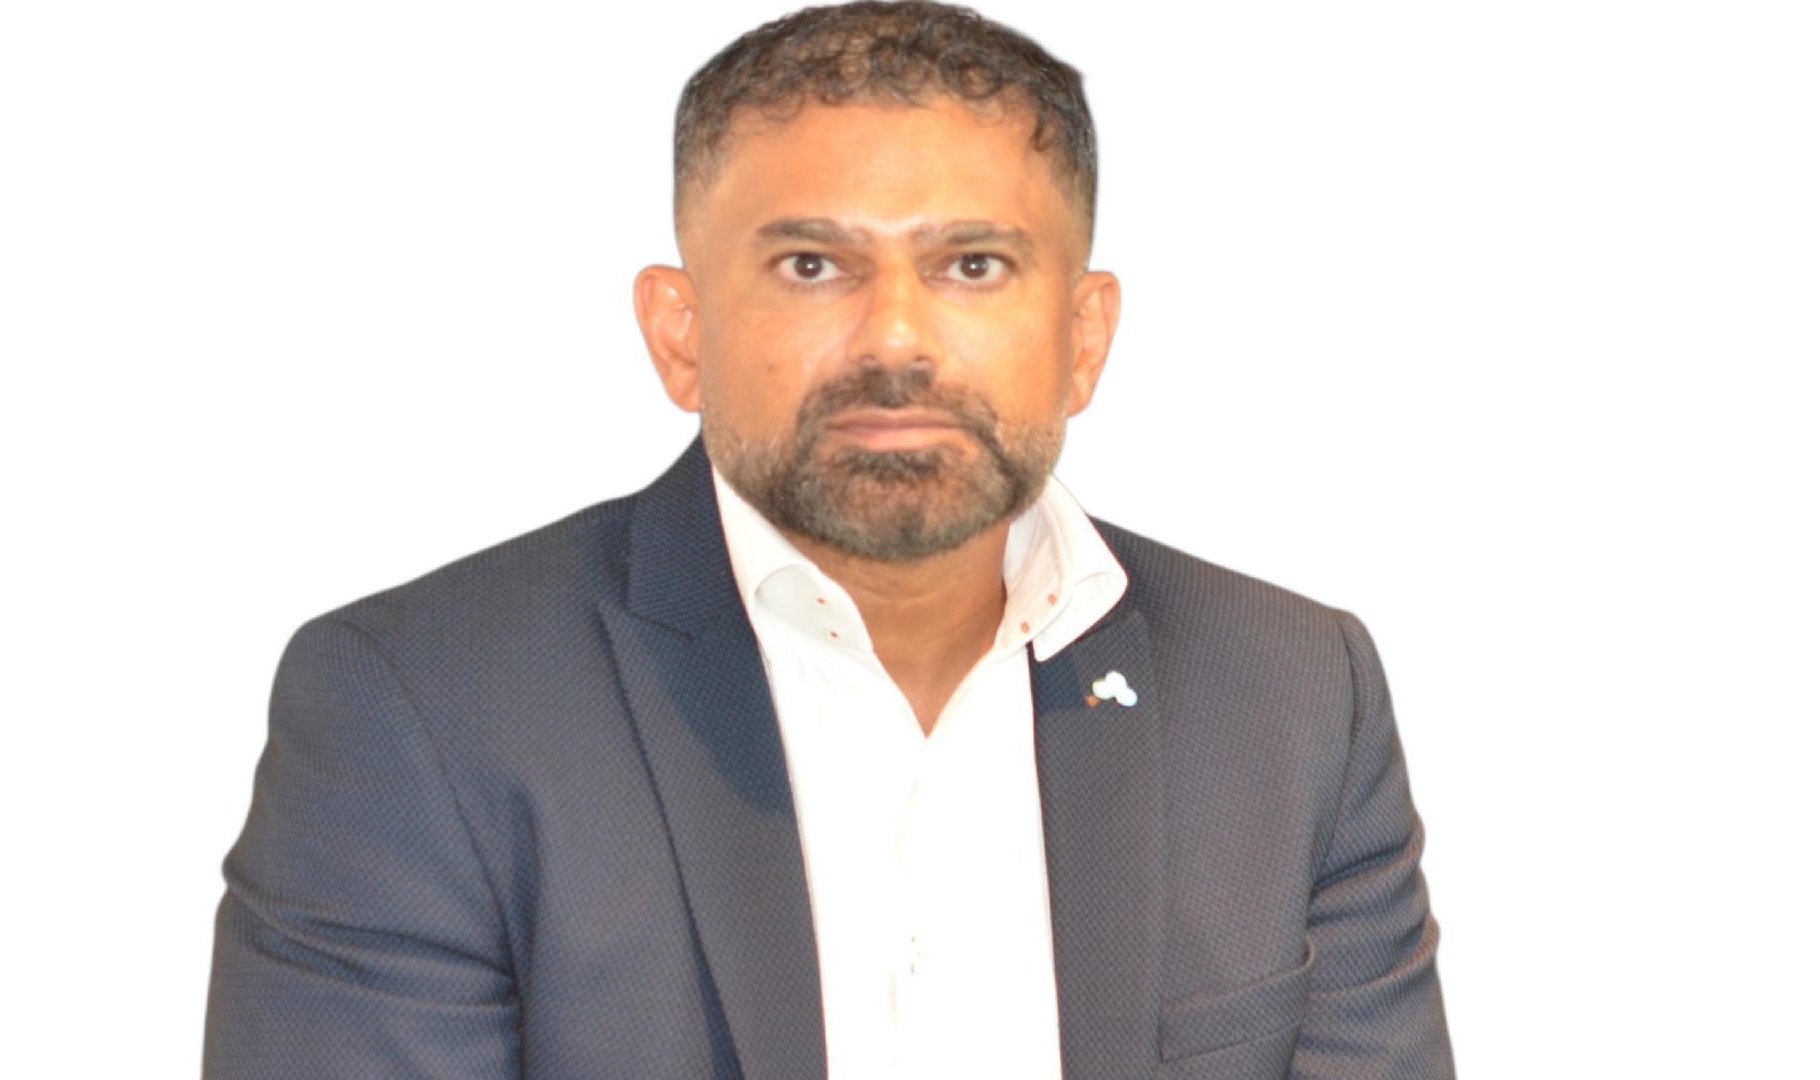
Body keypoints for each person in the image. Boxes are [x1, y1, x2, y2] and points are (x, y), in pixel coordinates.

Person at [203, 3, 1453, 1078]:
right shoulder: (420, 707)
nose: (895, 338)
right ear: (679, 331)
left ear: (1085, 338)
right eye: (812, 265)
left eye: (972, 264)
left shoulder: (1292, 699)